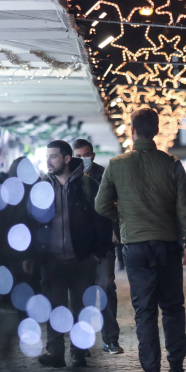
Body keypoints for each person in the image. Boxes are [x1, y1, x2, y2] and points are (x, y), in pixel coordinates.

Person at [94, 109, 186, 372]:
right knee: (173, 309)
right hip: (167, 244)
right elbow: (185, 208)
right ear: (156, 130)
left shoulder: (116, 165)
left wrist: (124, 217)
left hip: (135, 247)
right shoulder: (172, 164)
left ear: (132, 130)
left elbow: (101, 206)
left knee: (145, 312)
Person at [25, 140, 112, 368]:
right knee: (55, 306)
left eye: (53, 156)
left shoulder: (87, 186)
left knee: (81, 308)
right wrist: (33, 256)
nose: (48, 161)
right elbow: (32, 224)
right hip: (52, 259)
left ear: (66, 158)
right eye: (47, 156)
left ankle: (78, 352)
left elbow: (103, 221)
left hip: (82, 258)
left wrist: (96, 254)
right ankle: (55, 351)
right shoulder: (42, 188)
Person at [73, 138, 122, 355]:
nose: (83, 160)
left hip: (103, 243)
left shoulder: (105, 175)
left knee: (106, 286)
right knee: (83, 292)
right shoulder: (69, 179)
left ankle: (110, 339)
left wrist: (115, 230)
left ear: (92, 156)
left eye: (86, 155)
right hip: (80, 245)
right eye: (78, 156)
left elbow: (116, 206)